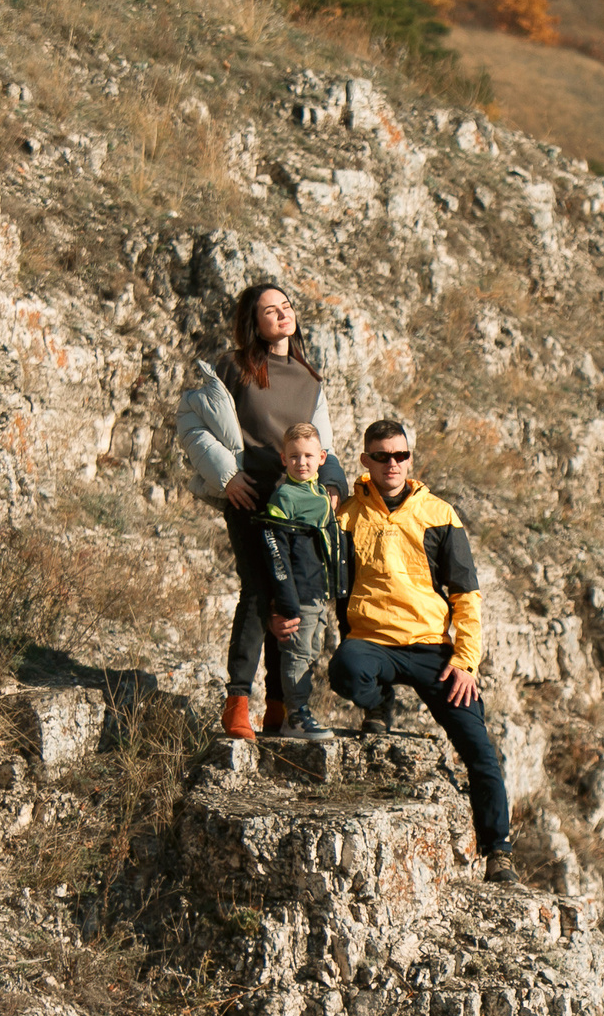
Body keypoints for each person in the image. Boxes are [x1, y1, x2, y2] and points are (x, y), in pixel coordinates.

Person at [329, 417, 517, 884]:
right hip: (372, 640)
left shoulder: (440, 513)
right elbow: (336, 592)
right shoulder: (347, 516)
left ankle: (499, 850)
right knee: (346, 672)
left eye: (400, 455)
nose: (392, 464)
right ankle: (379, 702)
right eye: (382, 456)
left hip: (433, 648)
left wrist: (465, 661)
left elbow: (466, 595)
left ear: (410, 458)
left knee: (479, 749)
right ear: (365, 460)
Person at [175, 282, 351, 740]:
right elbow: (192, 421)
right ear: (253, 321)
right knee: (257, 595)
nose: (281, 315)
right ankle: (237, 705)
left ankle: (279, 708)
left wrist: (332, 488)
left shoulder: (309, 377)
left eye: (286, 307)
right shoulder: (233, 367)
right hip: (251, 499)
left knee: (290, 603)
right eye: (269, 310)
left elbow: (325, 447)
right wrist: (225, 477)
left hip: (297, 507)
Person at [253, 423, 348, 742]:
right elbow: (274, 548)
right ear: (283, 459)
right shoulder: (285, 496)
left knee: (310, 652)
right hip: (300, 592)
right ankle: (295, 716)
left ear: (322, 458)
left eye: (308, 456)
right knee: (298, 654)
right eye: (294, 457)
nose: (301, 462)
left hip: (319, 591)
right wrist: (286, 599)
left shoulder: (321, 492)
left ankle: (301, 710)